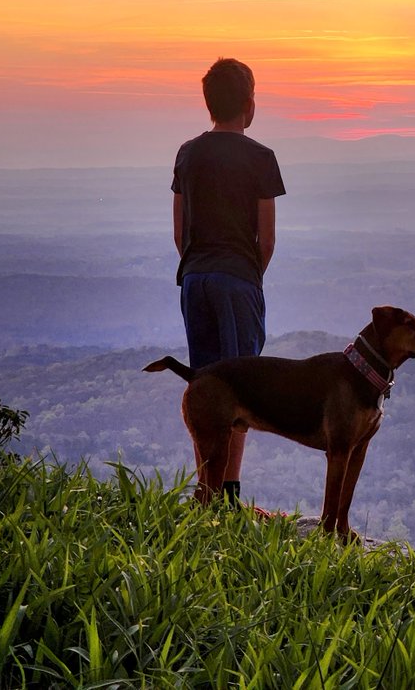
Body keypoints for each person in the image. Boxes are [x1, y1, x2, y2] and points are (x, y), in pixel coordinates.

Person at [170, 57, 285, 505]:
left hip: (194, 279)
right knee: (239, 391)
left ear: (208, 103)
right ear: (249, 103)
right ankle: (229, 495)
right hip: (238, 280)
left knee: (205, 387)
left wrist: (199, 266)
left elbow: (180, 234)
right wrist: (247, 278)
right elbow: (268, 240)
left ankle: (206, 489)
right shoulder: (261, 158)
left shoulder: (187, 153)